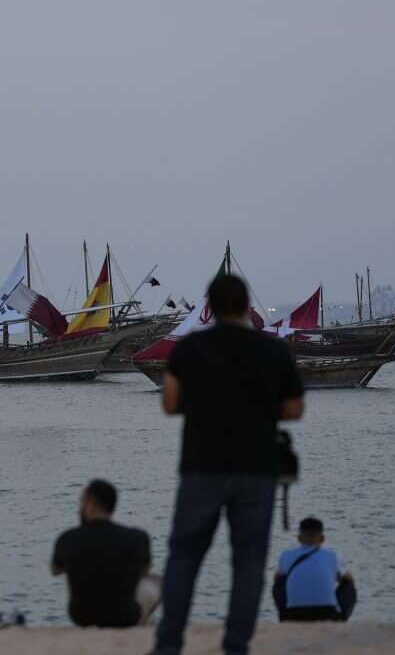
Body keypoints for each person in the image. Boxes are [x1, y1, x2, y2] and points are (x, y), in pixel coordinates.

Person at [153, 275, 305, 655]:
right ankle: (236, 645)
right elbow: (294, 409)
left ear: (211, 306)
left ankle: (169, 644)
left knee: (184, 558)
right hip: (256, 469)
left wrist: (202, 405)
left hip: (201, 466)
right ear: (246, 304)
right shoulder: (273, 350)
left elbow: (170, 403)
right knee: (249, 563)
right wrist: (259, 409)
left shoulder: (190, 348)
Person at [51, 479, 157, 628]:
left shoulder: (67, 538)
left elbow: (55, 570)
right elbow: (145, 571)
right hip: (125, 616)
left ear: (90, 503)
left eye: (82, 501)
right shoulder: (138, 538)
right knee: (156, 582)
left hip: (80, 616)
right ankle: (143, 625)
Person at [275, 517, 355, 622]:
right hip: (327, 613)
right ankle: (343, 617)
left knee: (279, 581)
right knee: (347, 582)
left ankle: (283, 615)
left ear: (299, 538)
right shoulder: (332, 555)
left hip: (294, 614)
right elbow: (349, 579)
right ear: (322, 538)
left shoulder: (286, 555)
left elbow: (277, 578)